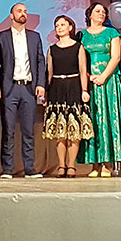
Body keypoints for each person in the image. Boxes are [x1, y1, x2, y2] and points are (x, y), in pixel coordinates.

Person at [0, 3, 47, 178]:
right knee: (8, 130)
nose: (23, 13)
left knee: (28, 131)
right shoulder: (1, 37)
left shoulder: (34, 37)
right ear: (11, 16)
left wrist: (41, 84)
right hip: (9, 88)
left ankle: (29, 168)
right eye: (19, 11)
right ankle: (7, 168)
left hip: (28, 88)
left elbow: (40, 61)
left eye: (25, 11)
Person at [77, 2, 121, 177]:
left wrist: (103, 76)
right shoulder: (81, 35)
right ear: (89, 14)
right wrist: (89, 76)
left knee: (109, 119)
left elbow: (116, 57)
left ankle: (108, 164)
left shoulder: (112, 33)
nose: (101, 14)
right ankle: (94, 164)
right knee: (93, 120)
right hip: (89, 82)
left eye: (103, 12)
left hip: (108, 81)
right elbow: (79, 59)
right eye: (97, 11)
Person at [42, 15, 93, 178]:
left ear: (70, 27)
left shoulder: (78, 47)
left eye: (63, 24)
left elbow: (83, 70)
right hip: (57, 89)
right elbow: (49, 73)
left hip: (74, 87)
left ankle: (71, 165)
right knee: (60, 132)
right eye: (57, 25)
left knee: (74, 130)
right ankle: (61, 165)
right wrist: (47, 93)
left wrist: (84, 90)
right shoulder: (52, 49)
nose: (59, 28)